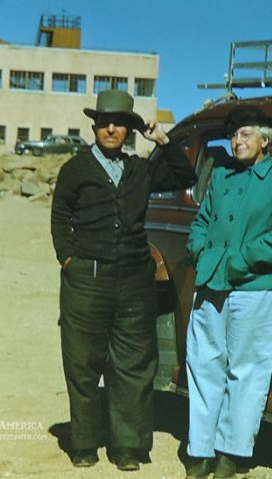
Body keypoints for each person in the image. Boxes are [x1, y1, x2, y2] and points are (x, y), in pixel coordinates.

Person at [51, 89, 197, 471]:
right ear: (95, 125)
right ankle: (84, 443)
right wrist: (68, 259)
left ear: (131, 129)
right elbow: (60, 215)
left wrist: (163, 140)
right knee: (83, 362)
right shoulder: (76, 169)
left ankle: (128, 447)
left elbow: (187, 174)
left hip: (135, 281)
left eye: (119, 123)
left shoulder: (140, 169)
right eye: (105, 122)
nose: (111, 128)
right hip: (87, 280)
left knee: (133, 365)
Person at [185, 105, 272, 478]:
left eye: (246, 134)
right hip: (211, 283)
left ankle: (231, 453)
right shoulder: (220, 176)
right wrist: (200, 252)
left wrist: (240, 259)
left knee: (246, 372)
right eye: (234, 135)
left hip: (257, 288)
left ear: (264, 140)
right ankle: (200, 450)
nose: (238, 141)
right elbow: (201, 221)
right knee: (203, 366)